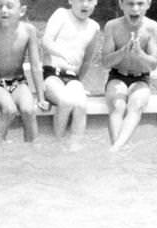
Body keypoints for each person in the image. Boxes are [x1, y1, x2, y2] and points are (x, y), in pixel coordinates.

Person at [0, 0, 48, 143]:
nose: (3, 10)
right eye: (0, 6)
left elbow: (35, 65)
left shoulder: (28, 31)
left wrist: (41, 97)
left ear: (21, 11)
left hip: (19, 82)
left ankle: (33, 149)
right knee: (9, 110)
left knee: (29, 110)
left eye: (9, 6)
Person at [101, 0, 157, 150]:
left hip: (141, 78)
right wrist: (122, 52)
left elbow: (153, 65)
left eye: (140, 4)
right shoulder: (112, 26)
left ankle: (116, 148)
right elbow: (105, 62)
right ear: (121, 4)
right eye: (130, 3)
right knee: (117, 104)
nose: (135, 8)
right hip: (117, 75)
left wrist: (140, 53)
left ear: (148, 4)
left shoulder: (153, 28)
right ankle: (118, 147)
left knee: (137, 103)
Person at [40, 0, 100, 144]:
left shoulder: (94, 27)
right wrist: (62, 53)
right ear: (71, 1)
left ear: (96, 2)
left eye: (90, 0)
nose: (85, 4)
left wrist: (80, 83)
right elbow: (46, 42)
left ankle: (75, 146)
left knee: (80, 104)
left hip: (73, 78)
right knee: (66, 101)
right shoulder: (62, 14)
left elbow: (86, 60)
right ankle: (58, 142)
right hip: (52, 75)